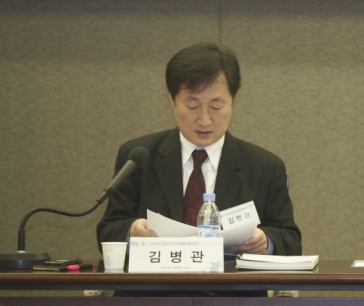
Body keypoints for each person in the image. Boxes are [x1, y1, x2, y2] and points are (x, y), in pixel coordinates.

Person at [97, 43, 301, 256]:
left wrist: (266, 241)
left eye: (216, 107)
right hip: (156, 277)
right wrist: (131, 232)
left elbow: (291, 241)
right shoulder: (139, 158)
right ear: (172, 101)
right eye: (192, 106)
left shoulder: (265, 167)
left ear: (233, 101)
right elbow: (108, 230)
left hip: (232, 278)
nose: (204, 120)